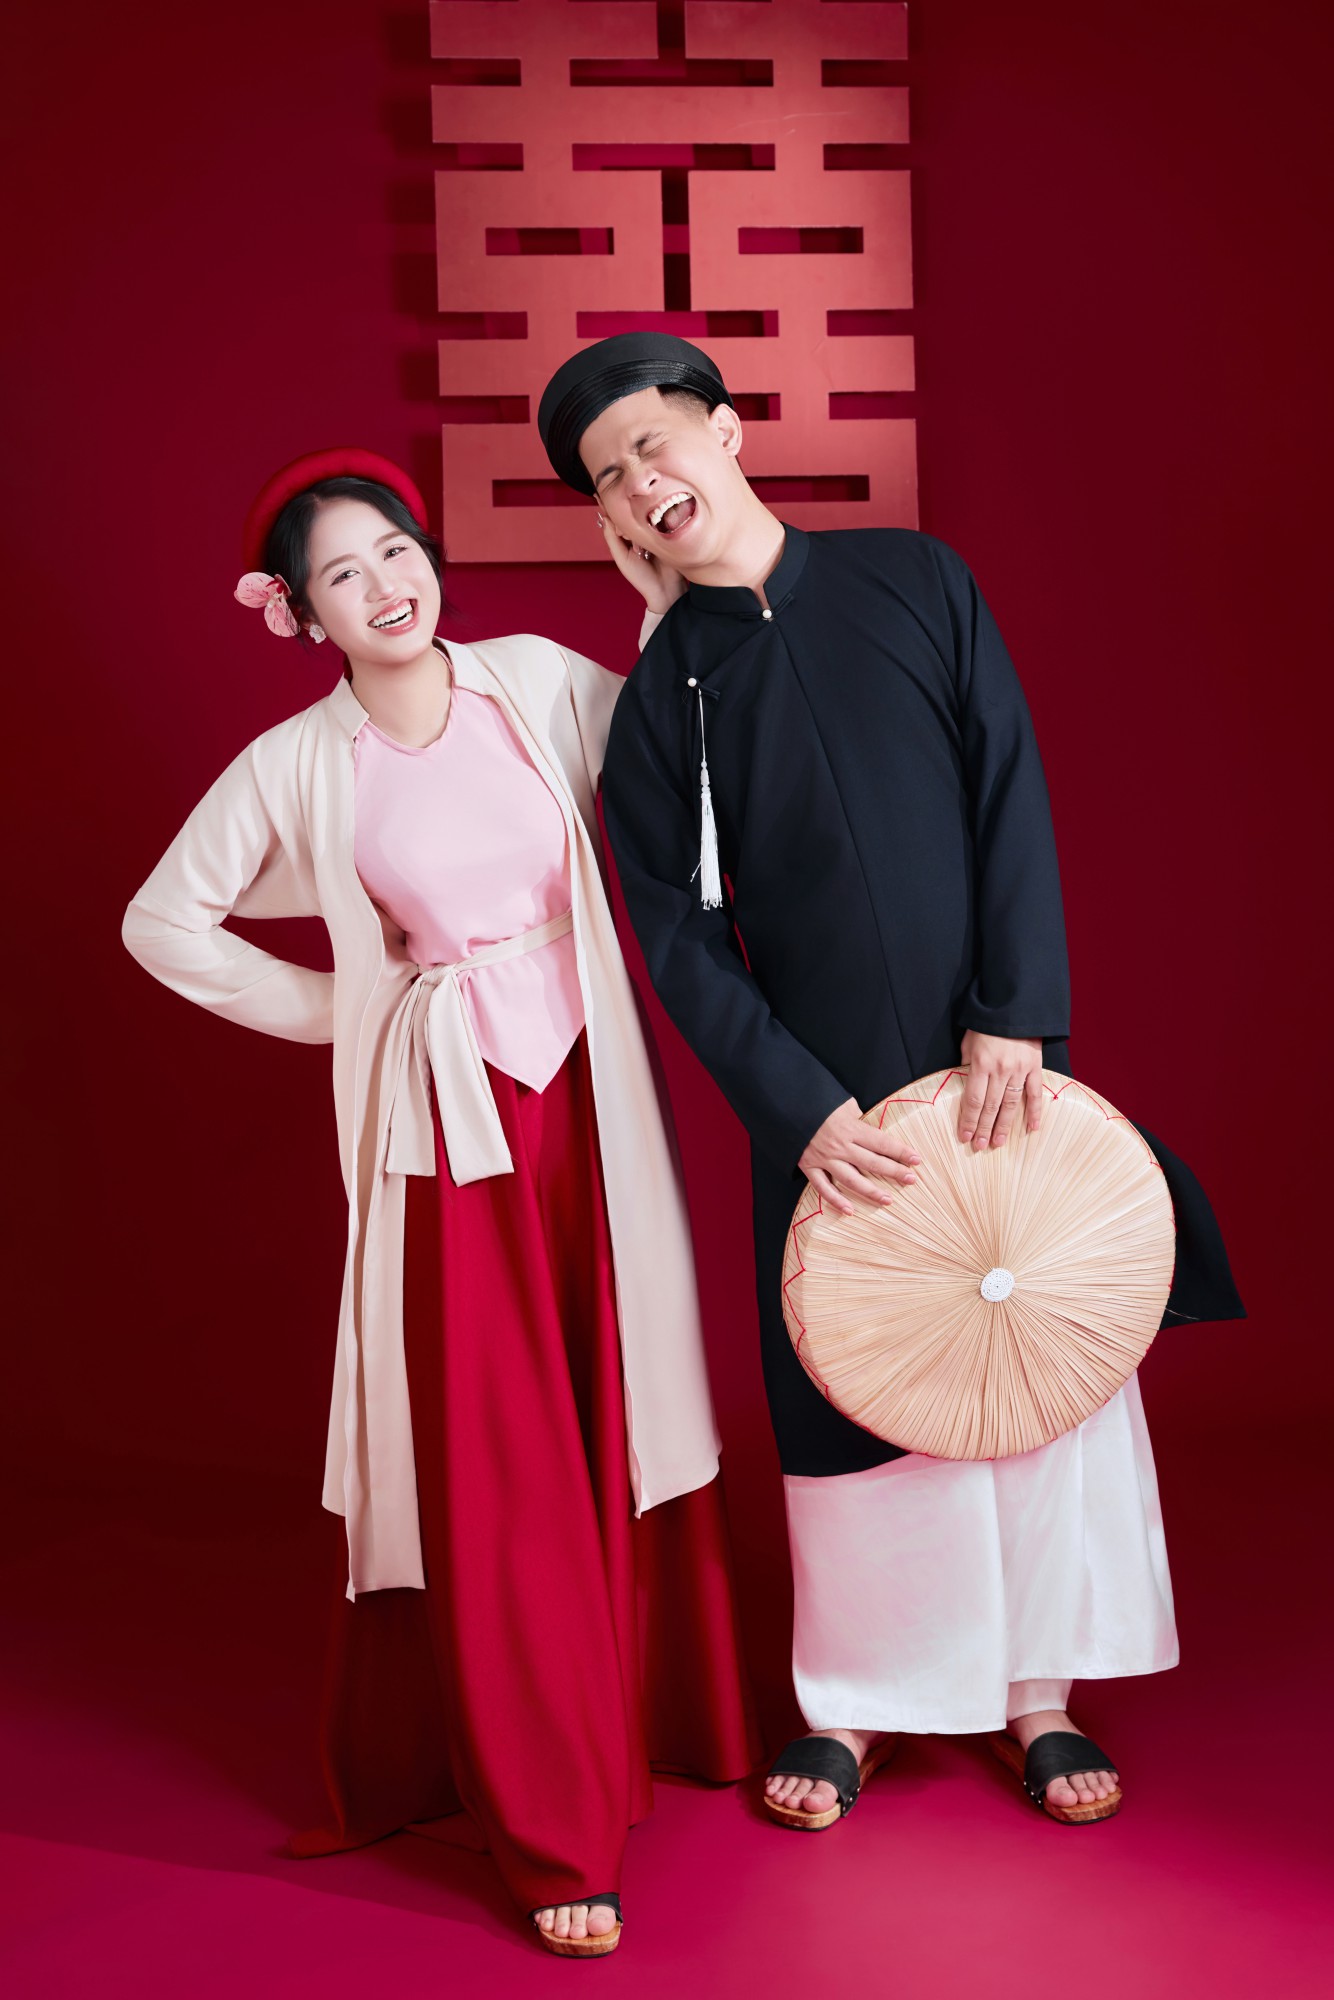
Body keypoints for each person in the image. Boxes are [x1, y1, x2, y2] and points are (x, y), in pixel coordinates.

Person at [536, 334, 1244, 1829]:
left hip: (990, 1061)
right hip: (825, 1111)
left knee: (1030, 1345)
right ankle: (860, 1701)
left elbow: (1007, 789)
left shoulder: (917, 579)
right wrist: (800, 1112)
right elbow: (679, 940)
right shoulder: (663, 699)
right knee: (851, 1386)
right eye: (608, 478)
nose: (642, 483)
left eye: (654, 443)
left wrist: (1017, 1013)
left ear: (725, 431)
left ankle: (1041, 1691)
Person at [122, 446, 758, 1954]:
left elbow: (678, 771)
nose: (385, 587)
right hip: (445, 1130)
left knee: (618, 1399)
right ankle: (548, 1821)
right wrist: (353, 1009)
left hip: (586, 1101)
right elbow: (164, 921)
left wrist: (664, 602)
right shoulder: (298, 762)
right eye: (342, 575)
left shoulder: (533, 679)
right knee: (495, 1452)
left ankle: (653, 1712)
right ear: (300, 614)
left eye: (396, 552)